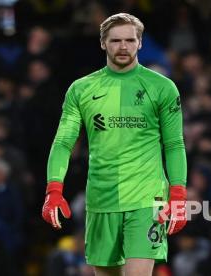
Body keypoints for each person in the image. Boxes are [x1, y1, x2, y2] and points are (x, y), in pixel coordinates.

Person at [41, 13, 187, 276]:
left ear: (140, 43)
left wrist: (177, 195)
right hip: (101, 198)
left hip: (147, 198)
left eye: (130, 40)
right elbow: (63, 141)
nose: (123, 47)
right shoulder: (81, 89)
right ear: (102, 43)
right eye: (116, 40)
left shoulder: (163, 88)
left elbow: (174, 144)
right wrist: (54, 189)